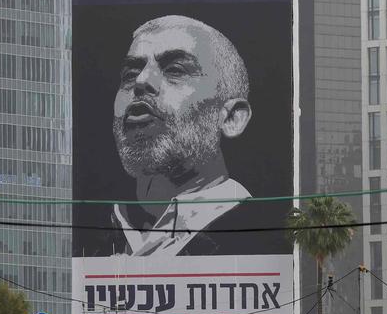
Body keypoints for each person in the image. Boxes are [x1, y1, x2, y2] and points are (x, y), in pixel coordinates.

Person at [85, 14, 281, 256]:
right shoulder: (95, 234)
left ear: (231, 118)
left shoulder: (265, 236)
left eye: (175, 70)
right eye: (129, 74)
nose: (141, 81)